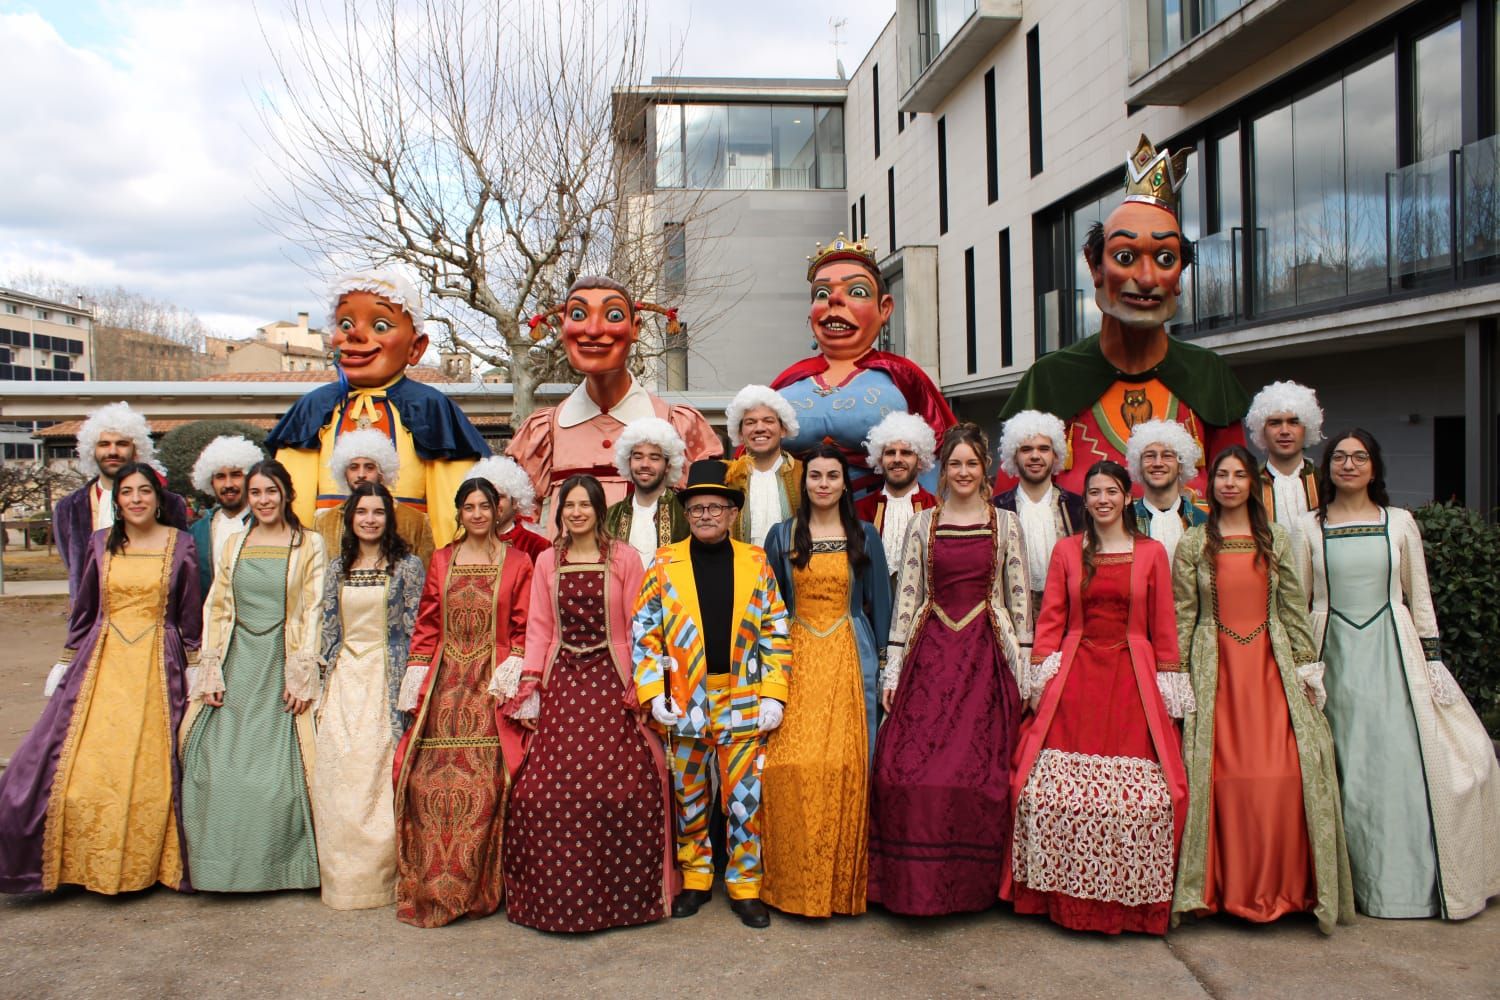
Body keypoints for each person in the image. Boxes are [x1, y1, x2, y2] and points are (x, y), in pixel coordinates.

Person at [1296, 429, 1500, 920]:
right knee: (1349, 771)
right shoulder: (1306, 527)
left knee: (1400, 768)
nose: (1348, 465)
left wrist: (1432, 662)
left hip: (1394, 651)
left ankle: (1408, 889)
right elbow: (1298, 602)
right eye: (1339, 457)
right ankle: (1353, 890)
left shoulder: (1400, 522)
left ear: (1374, 467)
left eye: (1359, 457)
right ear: (1327, 468)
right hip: (1334, 656)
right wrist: (1304, 666)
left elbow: (1420, 595)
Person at [997, 135, 1248, 499]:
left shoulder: (1208, 375)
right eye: (1126, 257)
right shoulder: (1049, 379)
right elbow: (1007, 509)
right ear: (1094, 265)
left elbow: (1241, 497)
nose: (1146, 279)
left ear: (1179, 275)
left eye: (1165, 259)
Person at [1004, 460, 1191, 935]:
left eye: (1111, 491)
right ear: (1083, 500)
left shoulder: (1152, 554)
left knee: (1150, 798)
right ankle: (1060, 900)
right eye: (1094, 492)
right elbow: (1051, 620)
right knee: (1043, 790)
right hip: (1076, 674)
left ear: (1127, 497)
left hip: (1133, 679)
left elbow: (1164, 626)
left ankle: (1129, 906)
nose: (1102, 499)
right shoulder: (1069, 551)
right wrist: (1042, 673)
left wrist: (1169, 683)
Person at [1171, 446, 1353, 933]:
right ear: (1210, 485)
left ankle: (1289, 888)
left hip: (1270, 668)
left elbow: (1293, 605)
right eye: (1222, 475)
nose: (1230, 483)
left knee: (1286, 773)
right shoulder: (1192, 544)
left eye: (1239, 475)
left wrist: (1307, 666)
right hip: (1217, 670)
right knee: (1222, 777)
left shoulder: (1274, 538)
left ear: (1253, 483)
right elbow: (1184, 615)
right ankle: (1221, 890)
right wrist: (1181, 675)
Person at [0, 463, 201, 895]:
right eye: (127, 492)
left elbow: (188, 610)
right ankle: (77, 862)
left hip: (156, 665)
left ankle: (147, 865)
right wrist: (66, 658)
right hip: (102, 660)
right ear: (118, 499)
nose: (135, 499)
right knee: (80, 759)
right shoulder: (99, 544)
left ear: (158, 498)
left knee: (149, 763)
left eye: (144, 491)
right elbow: (87, 608)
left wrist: (195, 661)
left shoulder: (181, 545)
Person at [868, 423, 1032, 916]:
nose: (963, 472)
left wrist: (1024, 669)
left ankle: (973, 888)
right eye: (955, 463)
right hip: (929, 650)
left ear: (985, 470)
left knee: (982, 777)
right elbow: (908, 599)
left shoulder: (1007, 525)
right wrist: (893, 670)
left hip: (986, 654)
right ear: (944, 470)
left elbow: (1019, 600)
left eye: (971, 464)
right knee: (903, 772)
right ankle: (911, 885)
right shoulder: (923, 525)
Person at [501, 475, 674, 932]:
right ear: (559, 512)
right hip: (563, 680)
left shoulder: (624, 558)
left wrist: (644, 683)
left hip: (612, 681)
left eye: (585, 504)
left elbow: (643, 624)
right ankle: (554, 899)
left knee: (623, 788)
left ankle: (622, 900)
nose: (577, 512)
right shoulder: (547, 561)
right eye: (569, 505)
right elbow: (539, 627)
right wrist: (532, 685)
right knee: (542, 793)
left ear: (599, 509)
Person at [631, 459, 792, 929]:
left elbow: (776, 632)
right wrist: (651, 691)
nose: (705, 515)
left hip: (742, 696)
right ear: (688, 513)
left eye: (715, 507)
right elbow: (645, 633)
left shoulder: (756, 561)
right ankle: (697, 879)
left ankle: (745, 885)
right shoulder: (664, 563)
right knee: (690, 795)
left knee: (745, 797)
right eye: (697, 507)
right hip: (685, 697)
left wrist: (773, 695)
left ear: (731, 513)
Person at [180, 459, 326, 893]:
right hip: (238, 659)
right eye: (256, 493)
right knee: (214, 764)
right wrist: (211, 668)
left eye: (271, 492)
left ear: (286, 494)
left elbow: (313, 608)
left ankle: (284, 866)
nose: (263, 500)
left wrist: (301, 672)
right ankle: (218, 867)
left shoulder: (310, 544)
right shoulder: (233, 543)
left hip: (284, 658)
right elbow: (218, 606)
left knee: (278, 773)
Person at [264, 267, 491, 547]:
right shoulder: (314, 408)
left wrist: (453, 565)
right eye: (345, 324)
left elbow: (452, 501)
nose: (356, 334)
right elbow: (291, 503)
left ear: (416, 348)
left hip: (409, 550)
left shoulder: (430, 407)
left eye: (380, 326)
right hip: (328, 553)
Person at [392, 476, 532, 928]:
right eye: (468, 506)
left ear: (497, 511)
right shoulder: (442, 559)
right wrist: (417, 678)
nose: (476, 514)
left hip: (490, 685)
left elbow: (523, 626)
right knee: (427, 785)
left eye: (484, 506)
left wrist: (510, 675)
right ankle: (433, 885)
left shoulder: (518, 562)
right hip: (446, 685)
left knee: (485, 787)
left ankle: (477, 889)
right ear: (459, 513)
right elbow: (429, 623)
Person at [761, 444, 891, 917]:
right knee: (785, 768)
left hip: (846, 656)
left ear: (843, 483)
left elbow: (879, 600)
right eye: (815, 475)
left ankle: (838, 887)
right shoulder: (781, 536)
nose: (822, 484)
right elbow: (770, 608)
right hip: (795, 657)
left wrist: (883, 662)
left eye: (832, 476)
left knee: (844, 768)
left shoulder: (866, 536)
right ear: (805, 482)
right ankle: (791, 884)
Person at [507, 276, 720, 525]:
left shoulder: (678, 424)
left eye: (614, 316)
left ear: (635, 328)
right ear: (563, 326)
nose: (594, 330)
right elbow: (514, 530)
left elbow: (710, 520)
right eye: (578, 314)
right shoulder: (545, 432)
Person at [771, 234, 956, 499]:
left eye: (857, 291)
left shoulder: (903, 377)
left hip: (881, 516)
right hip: (799, 521)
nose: (835, 300)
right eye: (822, 293)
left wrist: (932, 516)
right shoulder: (788, 381)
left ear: (885, 308)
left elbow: (941, 453)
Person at [311, 482, 425, 910]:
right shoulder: (337, 567)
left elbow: (417, 629)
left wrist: (410, 686)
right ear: (350, 518)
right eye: (362, 512)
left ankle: (382, 879)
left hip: (385, 676)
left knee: (377, 773)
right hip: (345, 677)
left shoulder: (408, 566)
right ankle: (342, 878)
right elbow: (328, 627)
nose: (370, 520)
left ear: (388, 518)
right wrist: (320, 680)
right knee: (339, 775)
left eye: (378, 512)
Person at [55, 402, 189, 601]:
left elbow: (179, 564)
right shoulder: (68, 508)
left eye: (122, 444)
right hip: (91, 621)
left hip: (151, 614)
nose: (113, 452)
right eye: (104, 444)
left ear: (136, 450)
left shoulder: (170, 503)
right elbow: (72, 564)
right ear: (92, 450)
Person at [993, 410, 1086, 610]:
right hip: (1012, 625)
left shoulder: (1077, 507)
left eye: (1044, 449)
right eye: (1026, 449)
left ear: (1055, 455)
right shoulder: (995, 509)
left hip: (1068, 623)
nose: (1035, 456)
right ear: (1014, 456)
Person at [312, 428, 436, 567]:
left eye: (369, 467)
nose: (361, 474)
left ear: (382, 472)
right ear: (344, 472)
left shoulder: (416, 521)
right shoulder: (324, 521)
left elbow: (427, 579)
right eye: (353, 467)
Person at [854, 410, 939, 578]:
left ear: (920, 461)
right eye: (890, 452)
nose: (897, 459)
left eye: (906, 453)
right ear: (880, 459)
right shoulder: (859, 511)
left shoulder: (937, 509)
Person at [602, 417, 691, 567]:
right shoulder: (610, 516)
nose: (645, 464)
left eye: (654, 458)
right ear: (628, 461)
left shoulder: (686, 513)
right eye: (638, 457)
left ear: (668, 465)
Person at [1247, 380, 1324, 550]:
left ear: (1307, 428)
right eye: (1275, 423)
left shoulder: (1326, 482)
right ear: (1262, 430)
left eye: (1293, 422)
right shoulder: (1247, 485)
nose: (1284, 431)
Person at [723, 385, 802, 548]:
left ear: (783, 429)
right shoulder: (726, 479)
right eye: (750, 422)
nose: (759, 428)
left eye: (768, 421)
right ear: (740, 433)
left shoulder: (805, 475)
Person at [188, 434, 263, 599]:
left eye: (236, 474)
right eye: (220, 477)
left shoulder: (267, 524)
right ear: (210, 482)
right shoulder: (196, 532)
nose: (228, 484)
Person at [1126, 418, 1206, 563]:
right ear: (1139, 465)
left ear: (1181, 465)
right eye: (1150, 456)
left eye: (1167, 456)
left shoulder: (1203, 523)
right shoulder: (1124, 523)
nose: (1158, 463)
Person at [467, 455, 550, 563]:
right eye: (484, 497)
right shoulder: (457, 549)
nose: (491, 503)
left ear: (515, 501)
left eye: (499, 497)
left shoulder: (537, 546)